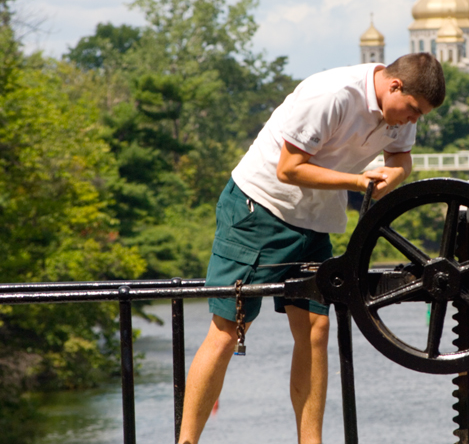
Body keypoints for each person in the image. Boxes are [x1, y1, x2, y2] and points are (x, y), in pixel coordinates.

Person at [177, 53, 445, 444]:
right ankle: (186, 442)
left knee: (317, 331)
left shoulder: (397, 112)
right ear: (395, 86)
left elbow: (400, 157)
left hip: (314, 220)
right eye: (414, 110)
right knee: (227, 330)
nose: (414, 120)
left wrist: (397, 173)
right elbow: (289, 169)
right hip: (259, 208)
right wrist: (358, 182)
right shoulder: (332, 95)